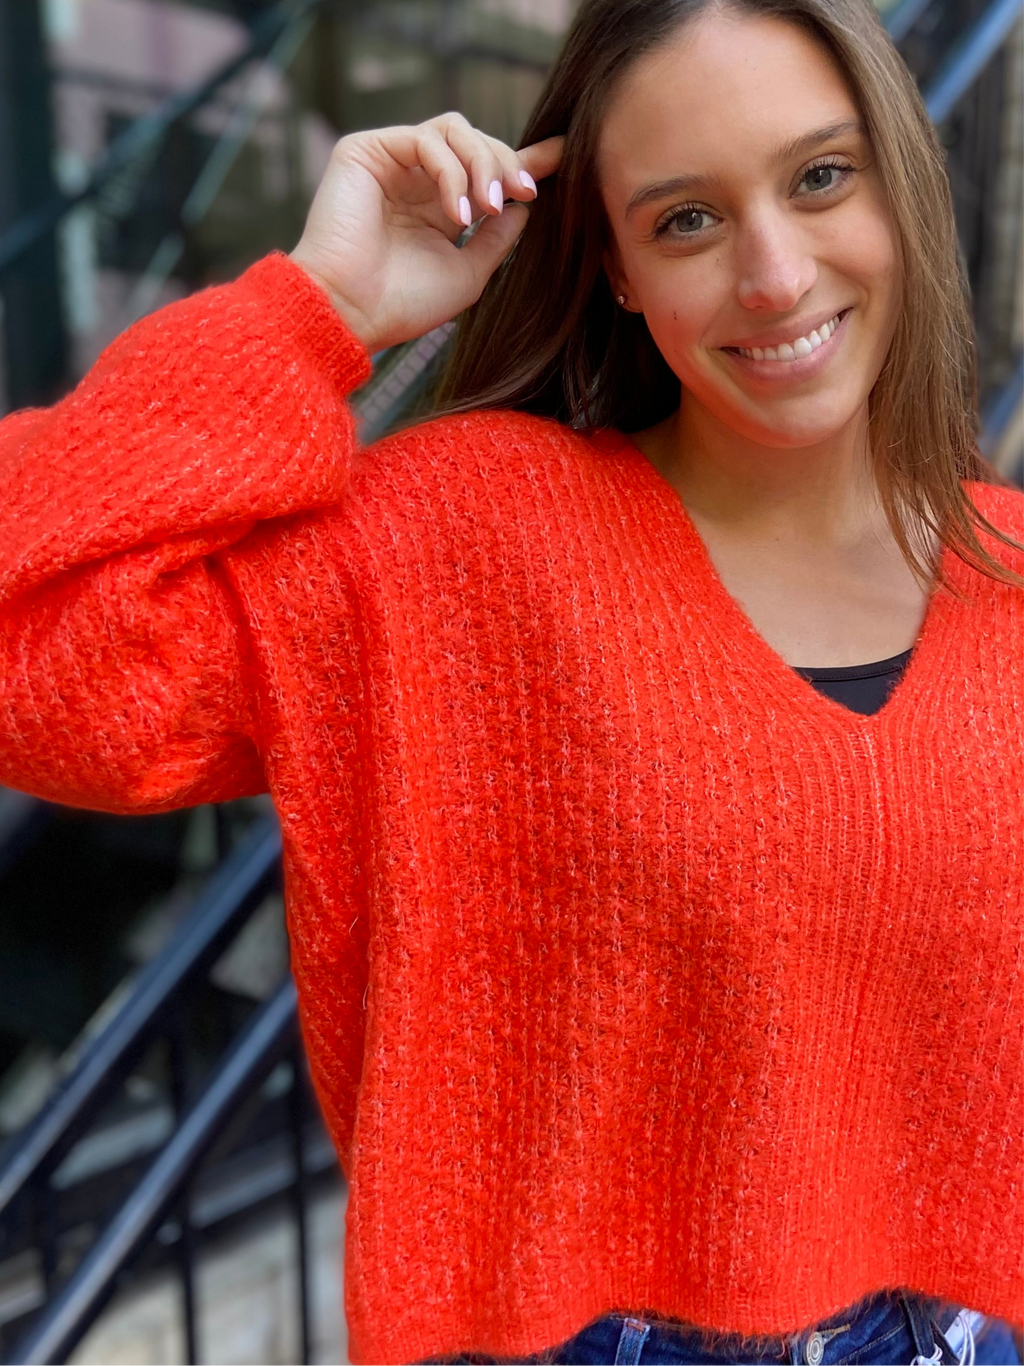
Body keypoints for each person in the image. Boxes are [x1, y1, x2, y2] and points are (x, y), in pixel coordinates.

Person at [2, 1, 1024, 1366]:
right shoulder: (470, 539)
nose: (776, 276)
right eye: (686, 220)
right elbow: (33, 653)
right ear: (614, 268)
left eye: (821, 177)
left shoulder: (1008, 577)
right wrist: (319, 311)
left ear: (904, 185)